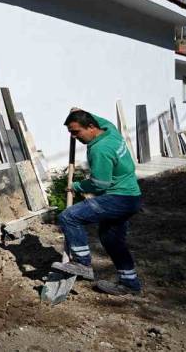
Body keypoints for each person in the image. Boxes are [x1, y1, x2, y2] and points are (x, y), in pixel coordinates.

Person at [53, 108, 143, 295]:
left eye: (76, 132)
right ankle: (130, 283)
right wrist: (79, 111)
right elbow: (101, 119)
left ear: (91, 127)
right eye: (70, 132)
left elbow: (100, 184)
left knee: (69, 217)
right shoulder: (110, 131)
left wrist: (76, 186)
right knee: (112, 240)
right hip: (132, 196)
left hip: (118, 198)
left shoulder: (99, 149)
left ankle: (82, 263)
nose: (74, 137)